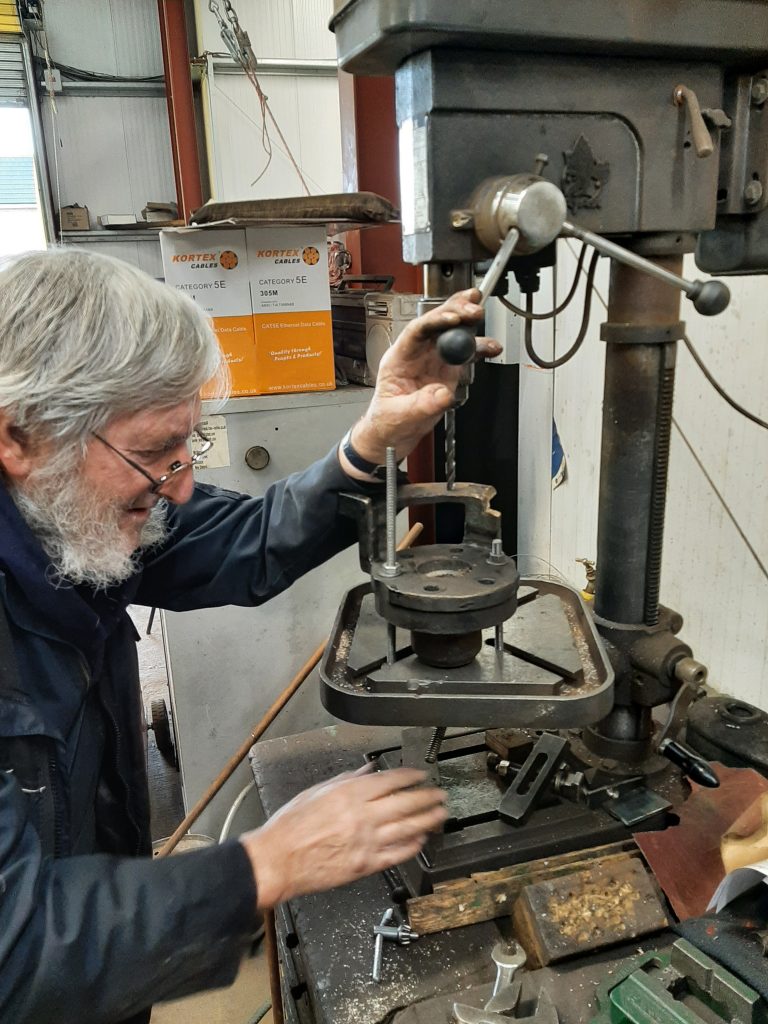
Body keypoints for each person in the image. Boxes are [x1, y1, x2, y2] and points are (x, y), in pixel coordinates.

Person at [0, 248, 499, 1023]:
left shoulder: (66, 511)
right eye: (156, 453)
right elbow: (14, 949)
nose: (182, 483)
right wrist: (264, 864)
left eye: (187, 447)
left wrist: (373, 440)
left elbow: (251, 538)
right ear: (20, 437)